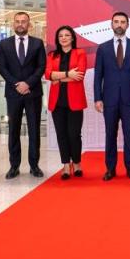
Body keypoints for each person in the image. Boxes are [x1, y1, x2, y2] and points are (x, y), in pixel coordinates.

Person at [94, 11, 130, 181]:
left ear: (127, 25)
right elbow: (98, 76)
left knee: (129, 135)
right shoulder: (103, 48)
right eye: (116, 22)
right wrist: (97, 98)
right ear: (111, 24)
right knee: (110, 134)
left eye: (122, 22)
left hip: (129, 99)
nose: (119, 25)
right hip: (109, 99)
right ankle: (110, 169)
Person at [0, 12, 47, 179]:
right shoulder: (4, 44)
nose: (20, 24)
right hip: (13, 93)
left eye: (23, 21)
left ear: (29, 24)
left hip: (33, 93)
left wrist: (28, 84)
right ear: (13, 24)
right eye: (17, 21)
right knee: (13, 130)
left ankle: (34, 166)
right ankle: (14, 166)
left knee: (34, 130)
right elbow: (2, 68)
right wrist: (17, 84)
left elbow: (41, 66)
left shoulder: (37, 43)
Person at [44, 26, 87, 180]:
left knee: (74, 134)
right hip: (57, 101)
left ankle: (77, 163)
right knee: (61, 134)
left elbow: (80, 74)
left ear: (72, 38)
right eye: (60, 35)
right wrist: (69, 74)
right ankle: (66, 165)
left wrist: (58, 78)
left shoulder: (80, 53)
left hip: (75, 100)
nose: (63, 38)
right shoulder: (52, 55)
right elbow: (48, 74)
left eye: (67, 35)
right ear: (57, 39)